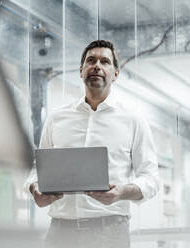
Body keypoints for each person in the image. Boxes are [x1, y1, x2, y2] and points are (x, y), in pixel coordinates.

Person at [24, 40, 160, 248]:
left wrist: (121, 192)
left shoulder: (133, 120)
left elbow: (151, 178)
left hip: (110, 232)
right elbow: (37, 169)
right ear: (81, 71)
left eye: (105, 61)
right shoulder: (57, 118)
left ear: (115, 74)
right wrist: (35, 190)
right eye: (91, 60)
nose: (97, 65)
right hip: (60, 231)